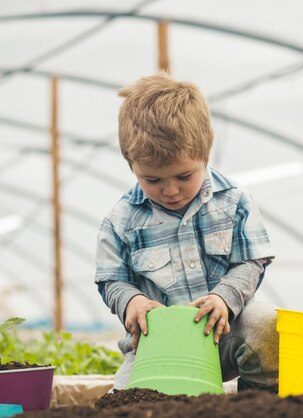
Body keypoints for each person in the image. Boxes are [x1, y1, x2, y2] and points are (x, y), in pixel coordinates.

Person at [94, 71, 278, 392]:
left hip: (225, 329)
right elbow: (112, 279)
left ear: (205, 155)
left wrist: (225, 297)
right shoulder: (121, 220)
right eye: (153, 180)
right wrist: (132, 301)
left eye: (183, 176)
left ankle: (255, 405)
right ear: (131, 165)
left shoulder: (234, 201)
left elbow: (252, 262)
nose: (170, 190)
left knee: (266, 326)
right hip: (156, 344)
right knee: (124, 399)